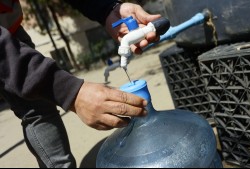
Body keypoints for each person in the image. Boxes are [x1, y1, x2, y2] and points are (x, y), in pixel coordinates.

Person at [0, 0, 161, 168]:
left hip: (10, 25)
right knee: (35, 109)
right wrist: (71, 92)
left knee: (40, 107)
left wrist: (108, 8)